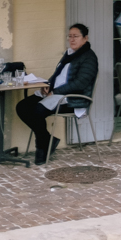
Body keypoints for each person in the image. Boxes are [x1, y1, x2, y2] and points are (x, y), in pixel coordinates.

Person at [15, 22, 99, 163]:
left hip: (73, 99)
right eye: (70, 36)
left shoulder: (89, 58)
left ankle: (42, 148)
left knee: (37, 111)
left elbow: (80, 83)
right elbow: (57, 75)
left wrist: (56, 91)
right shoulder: (69, 54)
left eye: (76, 36)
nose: (72, 39)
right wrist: (47, 85)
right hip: (56, 93)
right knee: (22, 106)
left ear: (85, 38)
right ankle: (48, 140)